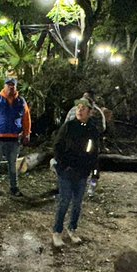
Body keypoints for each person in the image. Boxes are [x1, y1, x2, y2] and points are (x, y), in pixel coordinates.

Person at [51, 98, 102, 248]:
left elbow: (94, 153)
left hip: (82, 172)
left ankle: (72, 228)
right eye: (78, 107)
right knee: (64, 201)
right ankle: (57, 231)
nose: (80, 110)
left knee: (77, 203)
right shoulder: (68, 126)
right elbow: (57, 146)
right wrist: (62, 166)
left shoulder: (92, 130)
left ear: (89, 112)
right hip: (66, 171)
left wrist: (94, 172)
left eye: (83, 108)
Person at [0, 78, 32, 196]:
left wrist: (27, 134)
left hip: (14, 140)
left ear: (16, 87)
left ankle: (14, 188)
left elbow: (26, 119)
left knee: (13, 166)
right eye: (8, 85)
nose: (11, 87)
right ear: (4, 86)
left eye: (13, 85)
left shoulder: (21, 101)